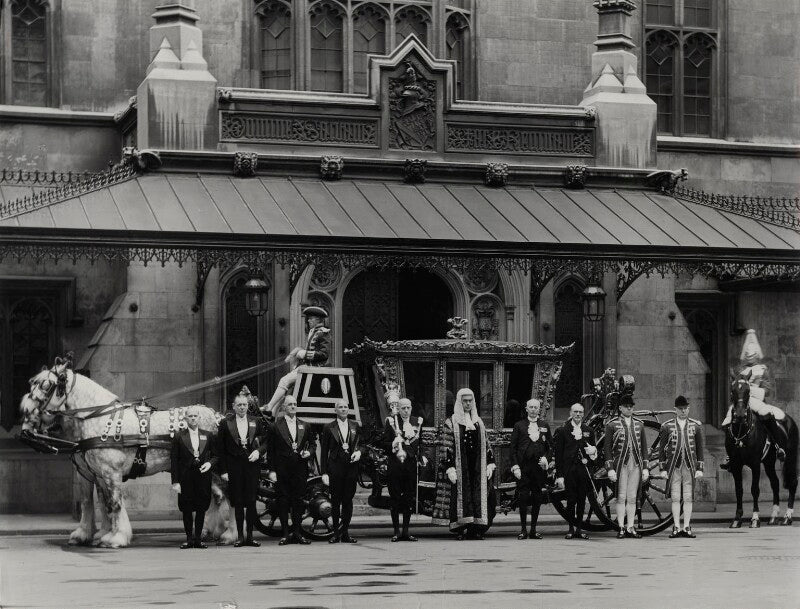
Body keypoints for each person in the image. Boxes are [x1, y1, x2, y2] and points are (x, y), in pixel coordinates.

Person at [432, 388, 496, 540]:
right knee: (461, 496)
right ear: (459, 402)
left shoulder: (478, 422)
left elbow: (487, 444)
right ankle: (461, 529)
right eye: (465, 401)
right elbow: (445, 447)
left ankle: (476, 529)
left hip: (477, 465)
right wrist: (450, 468)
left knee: (478, 496)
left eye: (470, 401)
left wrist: (490, 463)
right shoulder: (451, 423)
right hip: (460, 465)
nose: (468, 403)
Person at [721, 329, 787, 470]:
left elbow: (768, 390)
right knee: (728, 420)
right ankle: (729, 454)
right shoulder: (740, 370)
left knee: (767, 415)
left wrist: (753, 390)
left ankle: (778, 447)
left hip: (757, 400)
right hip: (742, 401)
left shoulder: (763, 370)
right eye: (747, 355)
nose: (749, 357)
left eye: (752, 355)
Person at [217, 386, 268, 547]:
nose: (242, 407)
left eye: (244, 405)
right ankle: (239, 536)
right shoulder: (226, 423)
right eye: (239, 405)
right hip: (234, 467)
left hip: (252, 467)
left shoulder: (256, 421)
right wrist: (224, 471)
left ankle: (250, 536)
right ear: (233, 406)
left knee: (251, 501)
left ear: (248, 405)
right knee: (238, 502)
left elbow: (266, 441)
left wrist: (259, 452)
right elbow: (221, 450)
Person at [264, 306, 330, 416]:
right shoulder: (314, 331)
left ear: (318, 320)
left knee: (284, 381)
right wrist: (299, 352)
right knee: (286, 388)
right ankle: (272, 412)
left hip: (313, 369)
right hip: (306, 367)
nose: (308, 320)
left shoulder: (324, 333)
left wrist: (305, 354)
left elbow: (324, 354)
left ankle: (270, 407)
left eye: (311, 318)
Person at [269, 395, 315, 546]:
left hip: (300, 469)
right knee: (283, 501)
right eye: (290, 405)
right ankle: (285, 534)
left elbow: (313, 445)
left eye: (295, 404)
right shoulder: (276, 426)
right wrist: (272, 471)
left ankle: (297, 533)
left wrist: (309, 453)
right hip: (282, 469)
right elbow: (271, 451)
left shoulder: (305, 425)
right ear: (283, 407)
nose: (293, 407)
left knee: (298, 501)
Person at [658, 396, 704, 538]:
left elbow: (700, 449)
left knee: (688, 497)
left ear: (688, 409)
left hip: (690, 467)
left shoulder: (695, 426)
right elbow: (662, 449)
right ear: (675, 410)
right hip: (674, 467)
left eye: (685, 408)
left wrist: (700, 468)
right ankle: (676, 526)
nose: (683, 411)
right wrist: (662, 468)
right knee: (676, 497)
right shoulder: (667, 426)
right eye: (680, 409)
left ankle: (687, 526)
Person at [170, 405, 217, 549]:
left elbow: (216, 456)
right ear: (185, 419)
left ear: (199, 418)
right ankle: (189, 539)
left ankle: (198, 539)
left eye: (195, 416)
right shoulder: (179, 436)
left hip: (203, 477)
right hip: (186, 478)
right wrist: (175, 482)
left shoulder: (208, 435)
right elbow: (174, 460)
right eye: (190, 416)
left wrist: (209, 464)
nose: (193, 418)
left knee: (202, 508)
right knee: (187, 509)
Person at [604, 394, 649, 539]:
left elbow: (644, 449)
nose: (629, 409)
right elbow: (607, 448)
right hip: (620, 465)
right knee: (621, 496)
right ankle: (621, 527)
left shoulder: (639, 425)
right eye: (626, 407)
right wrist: (610, 468)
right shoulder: (612, 425)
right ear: (620, 408)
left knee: (632, 497)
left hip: (636, 464)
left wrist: (646, 467)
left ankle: (630, 526)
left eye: (631, 407)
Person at [382, 397, 427, 542]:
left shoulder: (417, 421)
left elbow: (421, 442)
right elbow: (383, 443)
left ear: (411, 408)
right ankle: (396, 531)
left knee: (409, 498)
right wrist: (393, 444)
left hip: (410, 465)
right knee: (395, 498)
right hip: (395, 465)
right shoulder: (392, 422)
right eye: (403, 408)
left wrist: (423, 456)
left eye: (408, 408)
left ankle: (406, 531)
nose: (406, 410)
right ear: (398, 409)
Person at [553, 402, 598, 540]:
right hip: (569, 471)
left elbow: (594, 453)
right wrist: (559, 475)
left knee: (582, 500)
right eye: (575, 412)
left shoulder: (589, 430)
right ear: (571, 413)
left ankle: (579, 528)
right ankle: (571, 529)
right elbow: (558, 455)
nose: (578, 414)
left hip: (583, 470)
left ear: (583, 414)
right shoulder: (562, 430)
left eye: (580, 412)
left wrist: (593, 453)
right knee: (571, 500)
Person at [509, 398, 552, 540]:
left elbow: (550, 447)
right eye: (531, 407)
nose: (533, 409)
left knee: (537, 497)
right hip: (523, 467)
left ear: (539, 409)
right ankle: (523, 530)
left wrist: (547, 458)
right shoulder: (519, 426)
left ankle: (533, 529)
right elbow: (513, 449)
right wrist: (515, 466)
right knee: (523, 497)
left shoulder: (544, 425)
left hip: (538, 467)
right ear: (526, 409)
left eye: (536, 407)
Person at [321, 399, 362, 544]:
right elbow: (324, 451)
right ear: (335, 410)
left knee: (347, 501)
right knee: (335, 500)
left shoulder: (355, 425)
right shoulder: (328, 427)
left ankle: (345, 533)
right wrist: (324, 472)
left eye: (345, 407)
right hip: (335, 468)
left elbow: (361, 444)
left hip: (351, 468)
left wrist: (359, 453)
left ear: (348, 409)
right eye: (340, 407)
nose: (343, 409)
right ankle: (335, 533)